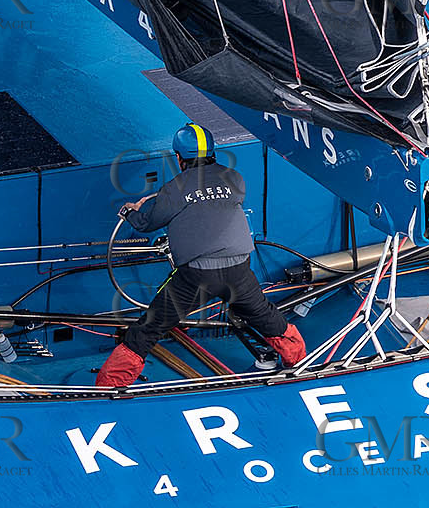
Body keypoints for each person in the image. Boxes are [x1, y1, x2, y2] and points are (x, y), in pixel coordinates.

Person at [96, 123, 306, 388]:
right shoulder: (235, 178)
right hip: (239, 271)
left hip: (195, 276)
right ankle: (300, 365)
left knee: (149, 327)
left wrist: (130, 212)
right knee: (266, 316)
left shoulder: (173, 188)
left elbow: (147, 223)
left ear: (179, 158)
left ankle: (110, 386)